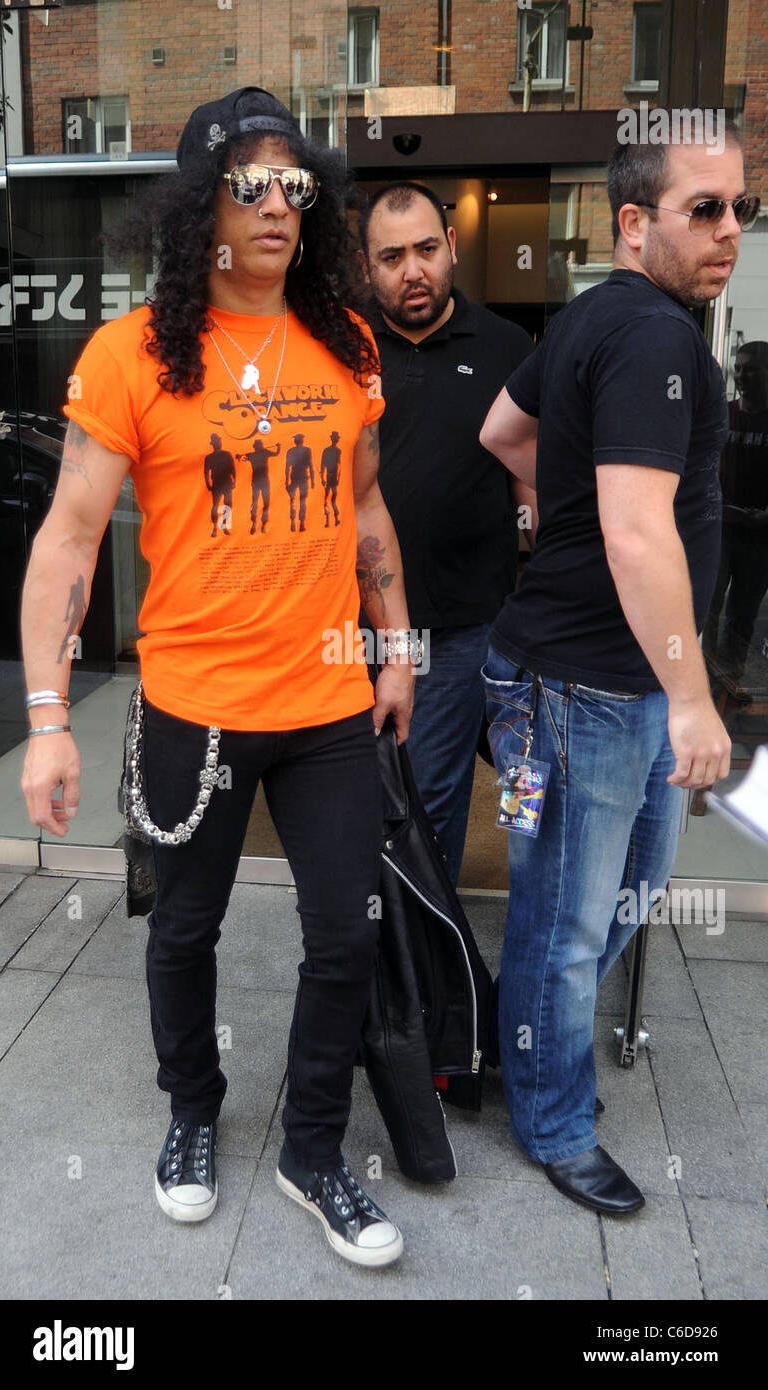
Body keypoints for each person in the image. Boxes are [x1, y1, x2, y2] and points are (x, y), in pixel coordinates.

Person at [19, 87, 418, 1268]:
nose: (278, 205)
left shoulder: (344, 342)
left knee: (344, 933)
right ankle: (192, 1109)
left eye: (295, 184)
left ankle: (311, 1149)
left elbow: (363, 506)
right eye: (249, 183)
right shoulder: (131, 355)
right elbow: (66, 541)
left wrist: (395, 644)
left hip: (328, 706)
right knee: (182, 929)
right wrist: (47, 719)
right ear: (199, 206)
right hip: (192, 703)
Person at [480, 122, 756, 1214]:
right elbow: (638, 533)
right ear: (633, 223)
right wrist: (694, 699)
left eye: (739, 205)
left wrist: (557, 514)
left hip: (594, 681)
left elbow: (503, 431)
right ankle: (548, 1119)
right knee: (569, 919)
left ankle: (522, 1054)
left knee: (610, 902)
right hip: (580, 692)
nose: (729, 228)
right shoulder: (646, 334)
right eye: (705, 208)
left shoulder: (597, 313)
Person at [360, 181, 535, 885]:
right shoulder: (340, 347)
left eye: (427, 249)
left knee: (433, 805)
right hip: (348, 631)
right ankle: (383, 961)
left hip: (464, 630)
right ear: (367, 267)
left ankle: (431, 972)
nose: (413, 271)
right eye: (392, 256)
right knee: (358, 806)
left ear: (451, 247)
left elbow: (531, 487)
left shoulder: (504, 346)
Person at [703, 341, 768, 694]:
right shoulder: (722, 414)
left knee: (741, 617)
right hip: (719, 530)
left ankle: (729, 680)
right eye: (739, 368)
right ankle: (703, 679)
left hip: (760, 539)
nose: (742, 376)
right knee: (706, 610)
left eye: (752, 369)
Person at [204, 431, 237, 537]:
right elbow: (206, 472)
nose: (218, 443)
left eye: (218, 441)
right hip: (217, 483)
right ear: (213, 444)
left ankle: (224, 525)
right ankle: (214, 527)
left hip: (227, 482)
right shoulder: (209, 457)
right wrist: (208, 483)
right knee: (215, 505)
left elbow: (232, 468)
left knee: (228, 505)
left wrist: (234, 480)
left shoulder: (226, 454)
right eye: (216, 442)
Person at [284, 432, 314, 532]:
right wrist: (313, 480)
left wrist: (286, 481)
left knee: (293, 501)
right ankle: (300, 523)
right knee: (301, 501)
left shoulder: (291, 451)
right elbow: (310, 466)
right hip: (302, 476)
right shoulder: (306, 450)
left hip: (296, 476)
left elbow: (287, 467)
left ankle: (295, 523)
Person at [321, 430, 341, 527]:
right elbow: (322, 465)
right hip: (329, 476)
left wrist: (337, 478)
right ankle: (328, 520)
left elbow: (339, 466)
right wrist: (323, 478)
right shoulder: (328, 451)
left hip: (332, 476)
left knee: (330, 499)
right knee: (328, 499)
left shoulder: (337, 451)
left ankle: (333, 520)